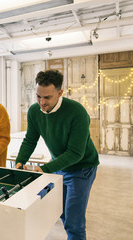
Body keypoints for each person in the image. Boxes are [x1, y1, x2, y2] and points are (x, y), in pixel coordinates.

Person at [15, 70, 99, 240]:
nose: (41, 102)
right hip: (59, 166)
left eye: (47, 97)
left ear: (60, 93)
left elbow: (75, 153)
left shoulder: (77, 112)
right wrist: (19, 162)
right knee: (59, 211)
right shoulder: (34, 111)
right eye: (38, 96)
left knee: (74, 222)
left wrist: (44, 168)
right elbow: (30, 139)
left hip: (82, 168)